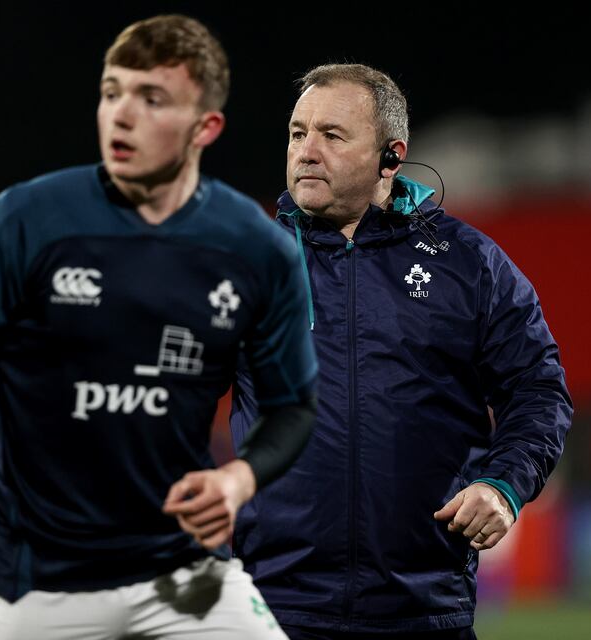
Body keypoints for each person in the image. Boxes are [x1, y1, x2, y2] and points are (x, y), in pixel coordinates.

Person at [0, 15, 317, 640]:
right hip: (26, 586)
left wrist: (237, 478)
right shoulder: (27, 220)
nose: (121, 114)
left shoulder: (259, 250)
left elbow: (292, 405)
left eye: (151, 98)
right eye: (112, 92)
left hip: (181, 573)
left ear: (205, 127)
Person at [227, 64, 573, 639]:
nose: (307, 151)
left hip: (426, 607)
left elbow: (538, 389)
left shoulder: (469, 263)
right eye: (297, 133)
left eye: (331, 136)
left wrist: (503, 484)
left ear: (391, 157)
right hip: (272, 607)